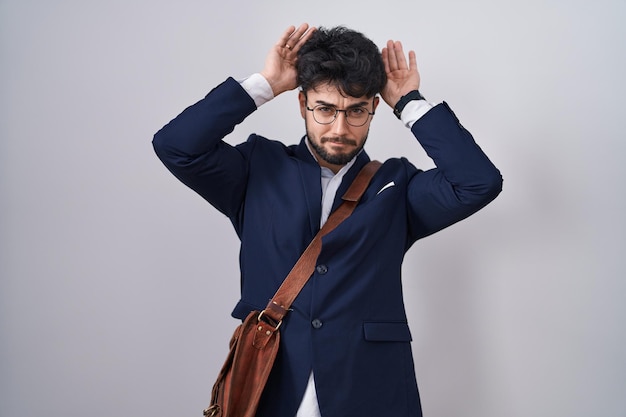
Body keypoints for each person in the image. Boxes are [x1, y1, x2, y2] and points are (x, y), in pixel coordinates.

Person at [153, 23, 502, 417]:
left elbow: (479, 182)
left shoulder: (397, 186)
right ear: (303, 104)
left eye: (356, 111)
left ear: (373, 107)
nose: (339, 128)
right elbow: (175, 145)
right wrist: (265, 84)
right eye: (325, 109)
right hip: (270, 383)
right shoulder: (257, 167)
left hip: (370, 387)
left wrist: (409, 103)